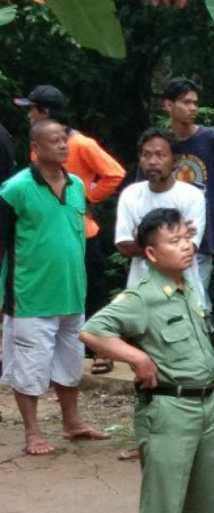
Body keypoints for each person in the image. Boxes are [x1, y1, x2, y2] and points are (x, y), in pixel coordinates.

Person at [80, 208, 214, 513]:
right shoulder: (142, 297)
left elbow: (198, 344)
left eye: (186, 238)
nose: (186, 246)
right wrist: (137, 358)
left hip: (205, 405)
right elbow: (93, 331)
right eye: (173, 241)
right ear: (151, 254)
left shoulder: (187, 288)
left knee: (204, 504)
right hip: (169, 409)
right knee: (163, 508)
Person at [0, 119, 109, 455]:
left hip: (72, 293)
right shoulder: (14, 189)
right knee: (29, 368)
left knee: (70, 362)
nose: (63, 145)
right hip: (29, 295)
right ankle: (33, 433)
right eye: (54, 141)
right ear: (36, 149)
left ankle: (72, 422)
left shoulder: (77, 185)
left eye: (64, 139)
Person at [15, 84, 127, 375]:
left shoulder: (80, 144)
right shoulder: (39, 146)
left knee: (93, 292)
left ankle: (102, 351)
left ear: (45, 111)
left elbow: (114, 173)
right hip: (49, 233)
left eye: (32, 109)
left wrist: (87, 196)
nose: (28, 115)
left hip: (82, 230)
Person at [115, 128, 208, 308]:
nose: (152, 162)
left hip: (184, 296)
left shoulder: (192, 196)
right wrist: (173, 240)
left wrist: (141, 239)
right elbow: (123, 246)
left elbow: (188, 250)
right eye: (146, 155)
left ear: (175, 161)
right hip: (140, 296)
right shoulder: (131, 195)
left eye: (160, 155)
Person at [162, 77, 214, 297]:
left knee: (196, 300)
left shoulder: (213, 139)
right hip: (165, 237)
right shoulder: (159, 143)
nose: (193, 108)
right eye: (186, 102)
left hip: (201, 238)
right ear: (168, 105)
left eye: (195, 102)